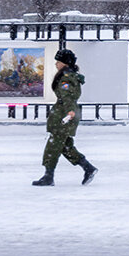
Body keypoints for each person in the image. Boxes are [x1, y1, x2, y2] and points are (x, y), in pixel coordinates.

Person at [32, 48, 97, 186]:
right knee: (65, 147)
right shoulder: (70, 76)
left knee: (53, 146)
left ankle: (48, 176)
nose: (56, 64)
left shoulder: (66, 78)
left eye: (58, 61)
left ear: (65, 63)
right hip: (64, 115)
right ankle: (88, 168)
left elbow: (68, 98)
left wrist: (70, 112)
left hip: (64, 117)